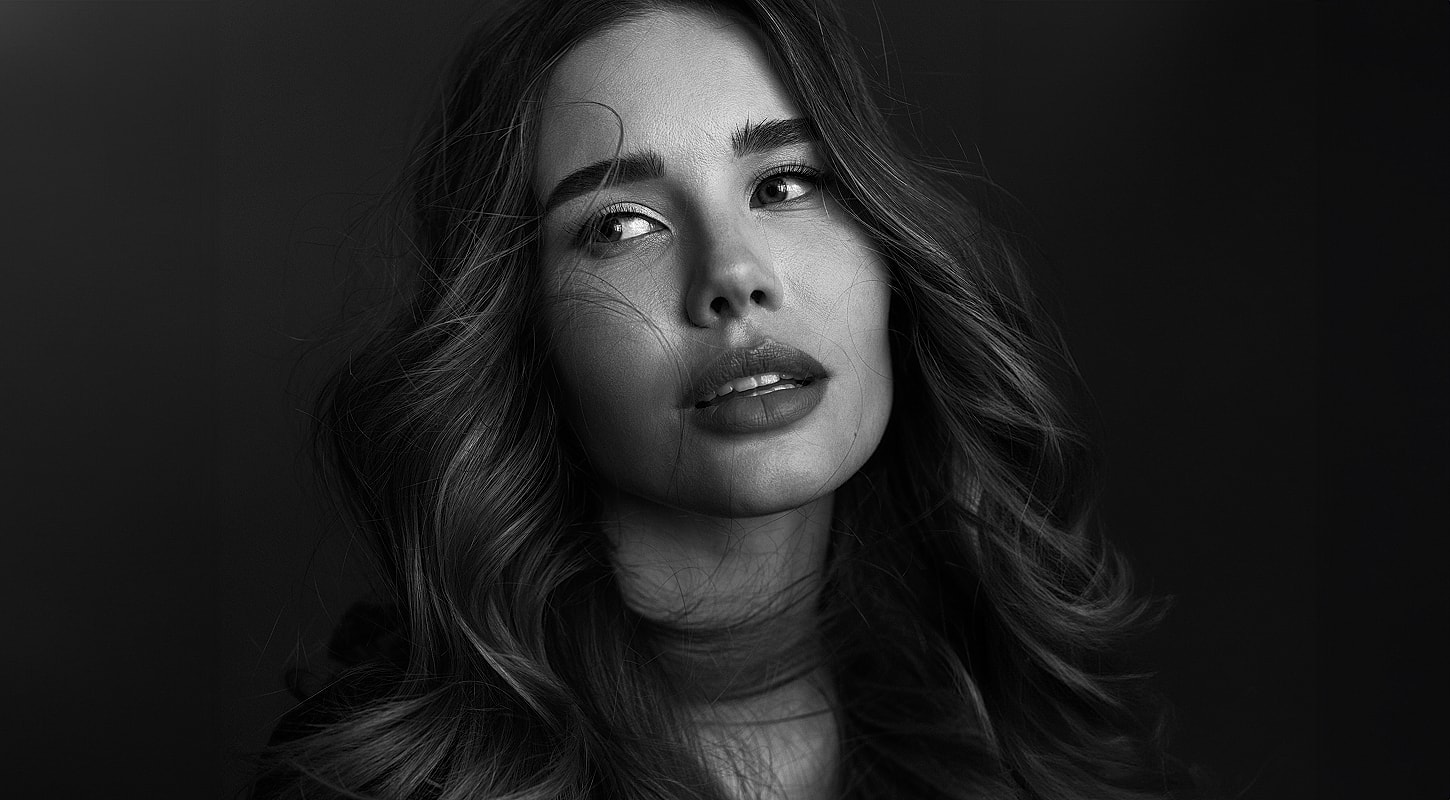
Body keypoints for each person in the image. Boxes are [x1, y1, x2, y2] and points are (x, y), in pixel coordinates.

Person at [253, 0, 1204, 798]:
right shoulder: (397, 781)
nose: (733, 276)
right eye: (620, 224)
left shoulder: (1014, 739)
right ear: (521, 332)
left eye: (788, 183)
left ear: (889, 254)